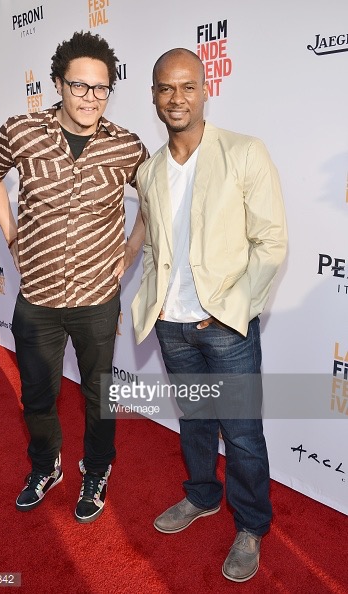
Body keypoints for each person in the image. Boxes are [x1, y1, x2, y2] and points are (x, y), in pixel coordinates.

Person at [130, 48, 287, 582]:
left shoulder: (244, 152)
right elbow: (155, 247)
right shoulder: (149, 169)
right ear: (153, 95)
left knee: (242, 433)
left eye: (187, 87)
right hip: (171, 325)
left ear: (205, 90)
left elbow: (270, 242)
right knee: (194, 422)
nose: (176, 99)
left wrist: (231, 313)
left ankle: (251, 525)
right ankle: (201, 497)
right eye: (165, 88)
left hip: (226, 328)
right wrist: (152, 303)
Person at [0, 31, 148, 523]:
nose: (90, 98)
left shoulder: (126, 146)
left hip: (98, 297)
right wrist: (11, 235)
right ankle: (45, 464)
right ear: (58, 84)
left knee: (99, 394)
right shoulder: (21, 131)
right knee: (36, 392)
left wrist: (133, 246)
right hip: (38, 296)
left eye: (101, 88)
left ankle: (96, 470)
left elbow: (156, 198)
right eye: (79, 86)